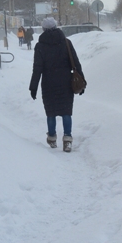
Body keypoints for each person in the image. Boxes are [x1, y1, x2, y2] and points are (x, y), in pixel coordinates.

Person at [29, 17, 85, 152]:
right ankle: (67, 139)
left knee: (51, 112)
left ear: (43, 29)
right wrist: (82, 81)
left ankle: (52, 138)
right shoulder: (66, 43)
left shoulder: (40, 46)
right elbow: (76, 63)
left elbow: (37, 68)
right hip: (66, 82)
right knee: (66, 112)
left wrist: (33, 87)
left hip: (48, 83)